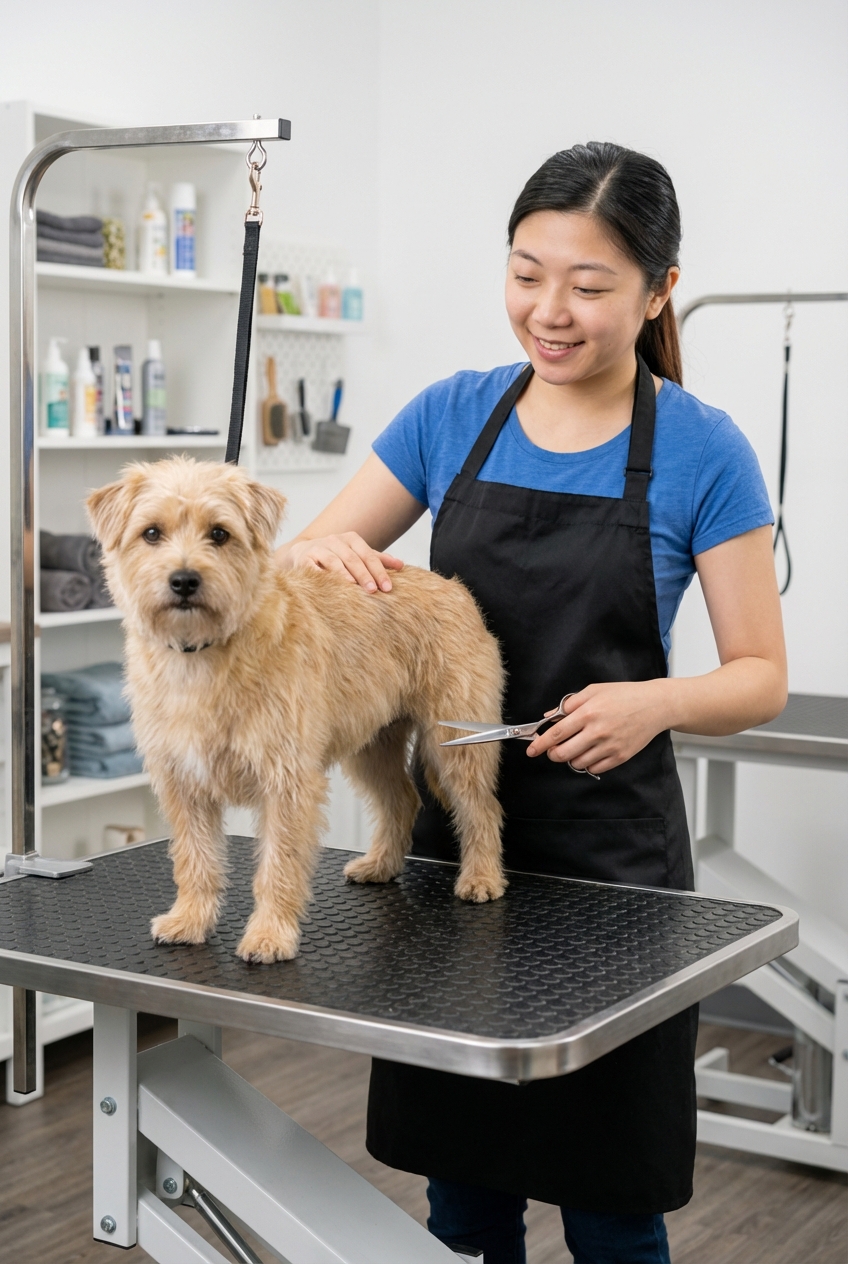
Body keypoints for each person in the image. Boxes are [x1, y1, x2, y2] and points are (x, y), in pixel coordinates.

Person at [275, 142, 787, 1264]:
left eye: (589, 286)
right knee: (460, 1198)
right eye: (524, 273)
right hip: (453, 865)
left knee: (609, 1201)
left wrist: (653, 701)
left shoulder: (701, 448)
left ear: (657, 290)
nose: (547, 311)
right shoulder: (452, 414)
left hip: (610, 867)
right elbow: (313, 549)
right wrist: (325, 552)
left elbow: (758, 673)